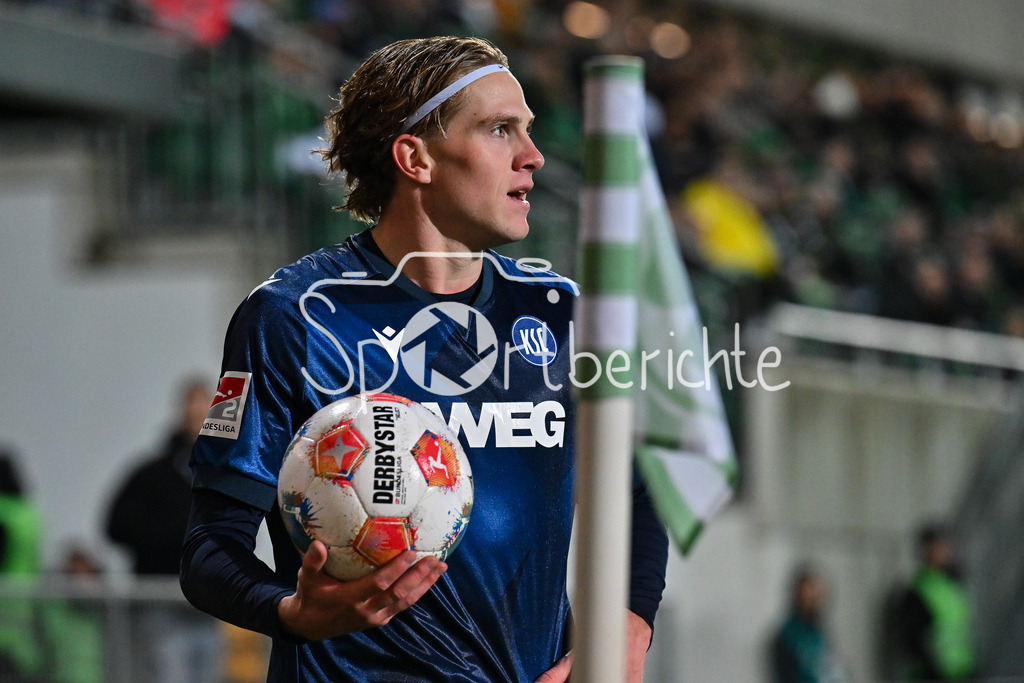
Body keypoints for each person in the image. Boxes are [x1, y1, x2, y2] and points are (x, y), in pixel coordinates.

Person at [180, 35, 669, 682]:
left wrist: (628, 627)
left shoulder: (564, 317)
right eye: (500, 130)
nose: (534, 156)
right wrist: (292, 610)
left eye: (526, 129)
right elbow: (210, 548)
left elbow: (639, 488)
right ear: (416, 157)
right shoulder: (296, 316)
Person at [106, 378, 223, 682]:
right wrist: (179, 537)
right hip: (161, 601)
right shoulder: (151, 475)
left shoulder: (223, 474)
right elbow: (117, 526)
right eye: (194, 405)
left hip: (207, 604)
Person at [895, 522, 976, 681]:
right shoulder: (918, 591)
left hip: (963, 670)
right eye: (938, 547)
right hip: (933, 675)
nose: (944, 552)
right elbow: (914, 640)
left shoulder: (954, 584)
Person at [769, 565, 846, 683]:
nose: (814, 599)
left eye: (817, 595)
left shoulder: (819, 634)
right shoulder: (789, 636)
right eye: (809, 594)